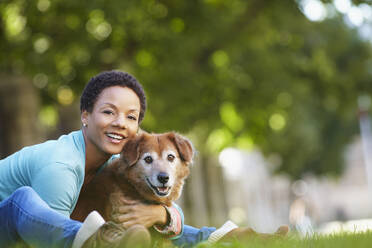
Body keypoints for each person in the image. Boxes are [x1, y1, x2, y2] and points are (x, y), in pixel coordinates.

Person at [0, 70, 224, 248]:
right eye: (108, 112)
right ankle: (103, 242)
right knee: (23, 199)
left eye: (131, 117)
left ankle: (217, 237)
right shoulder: (61, 167)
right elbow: (47, 238)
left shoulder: (119, 160)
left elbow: (153, 205)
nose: (120, 123)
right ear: (85, 115)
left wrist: (158, 213)